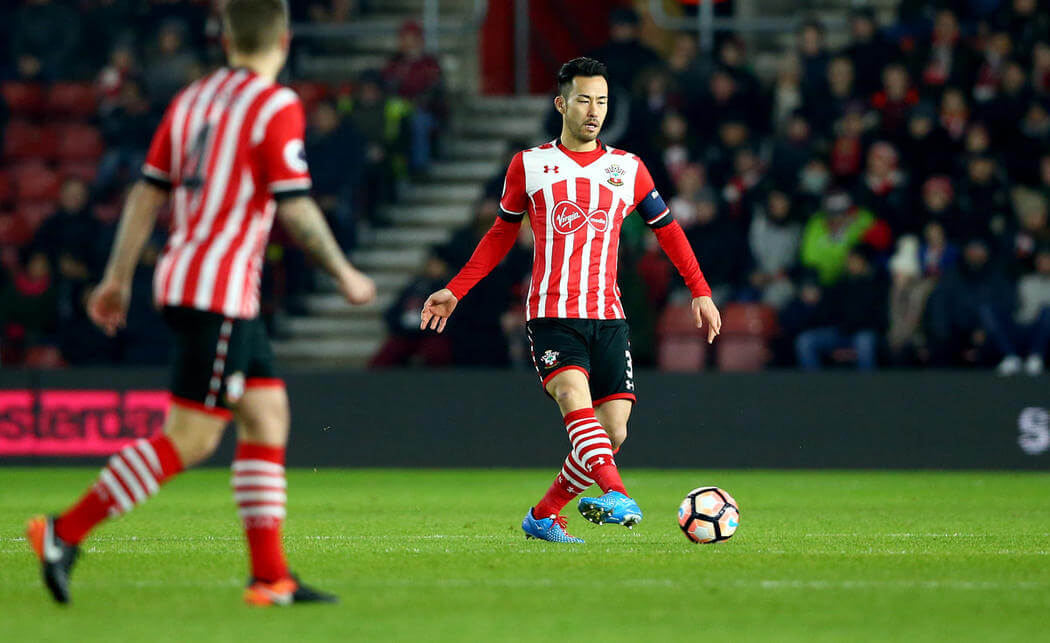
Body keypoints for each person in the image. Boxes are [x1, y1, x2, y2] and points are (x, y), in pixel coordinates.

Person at [25, 0, 376, 607]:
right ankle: (64, 532)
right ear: (284, 39)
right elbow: (293, 202)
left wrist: (116, 277)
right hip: (216, 292)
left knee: (266, 415)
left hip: (192, 281)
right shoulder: (275, 104)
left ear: (224, 36)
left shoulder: (191, 99)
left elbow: (145, 192)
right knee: (190, 438)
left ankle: (271, 579)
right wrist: (345, 272)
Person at [419, 58, 721, 543]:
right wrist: (456, 288)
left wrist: (700, 291)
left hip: (609, 316)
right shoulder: (530, 164)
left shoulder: (629, 168)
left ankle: (543, 515)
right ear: (562, 103)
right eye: (583, 99)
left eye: (601, 101)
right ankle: (617, 492)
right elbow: (501, 233)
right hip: (552, 314)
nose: (593, 111)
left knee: (614, 433)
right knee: (572, 398)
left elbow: (669, 232)